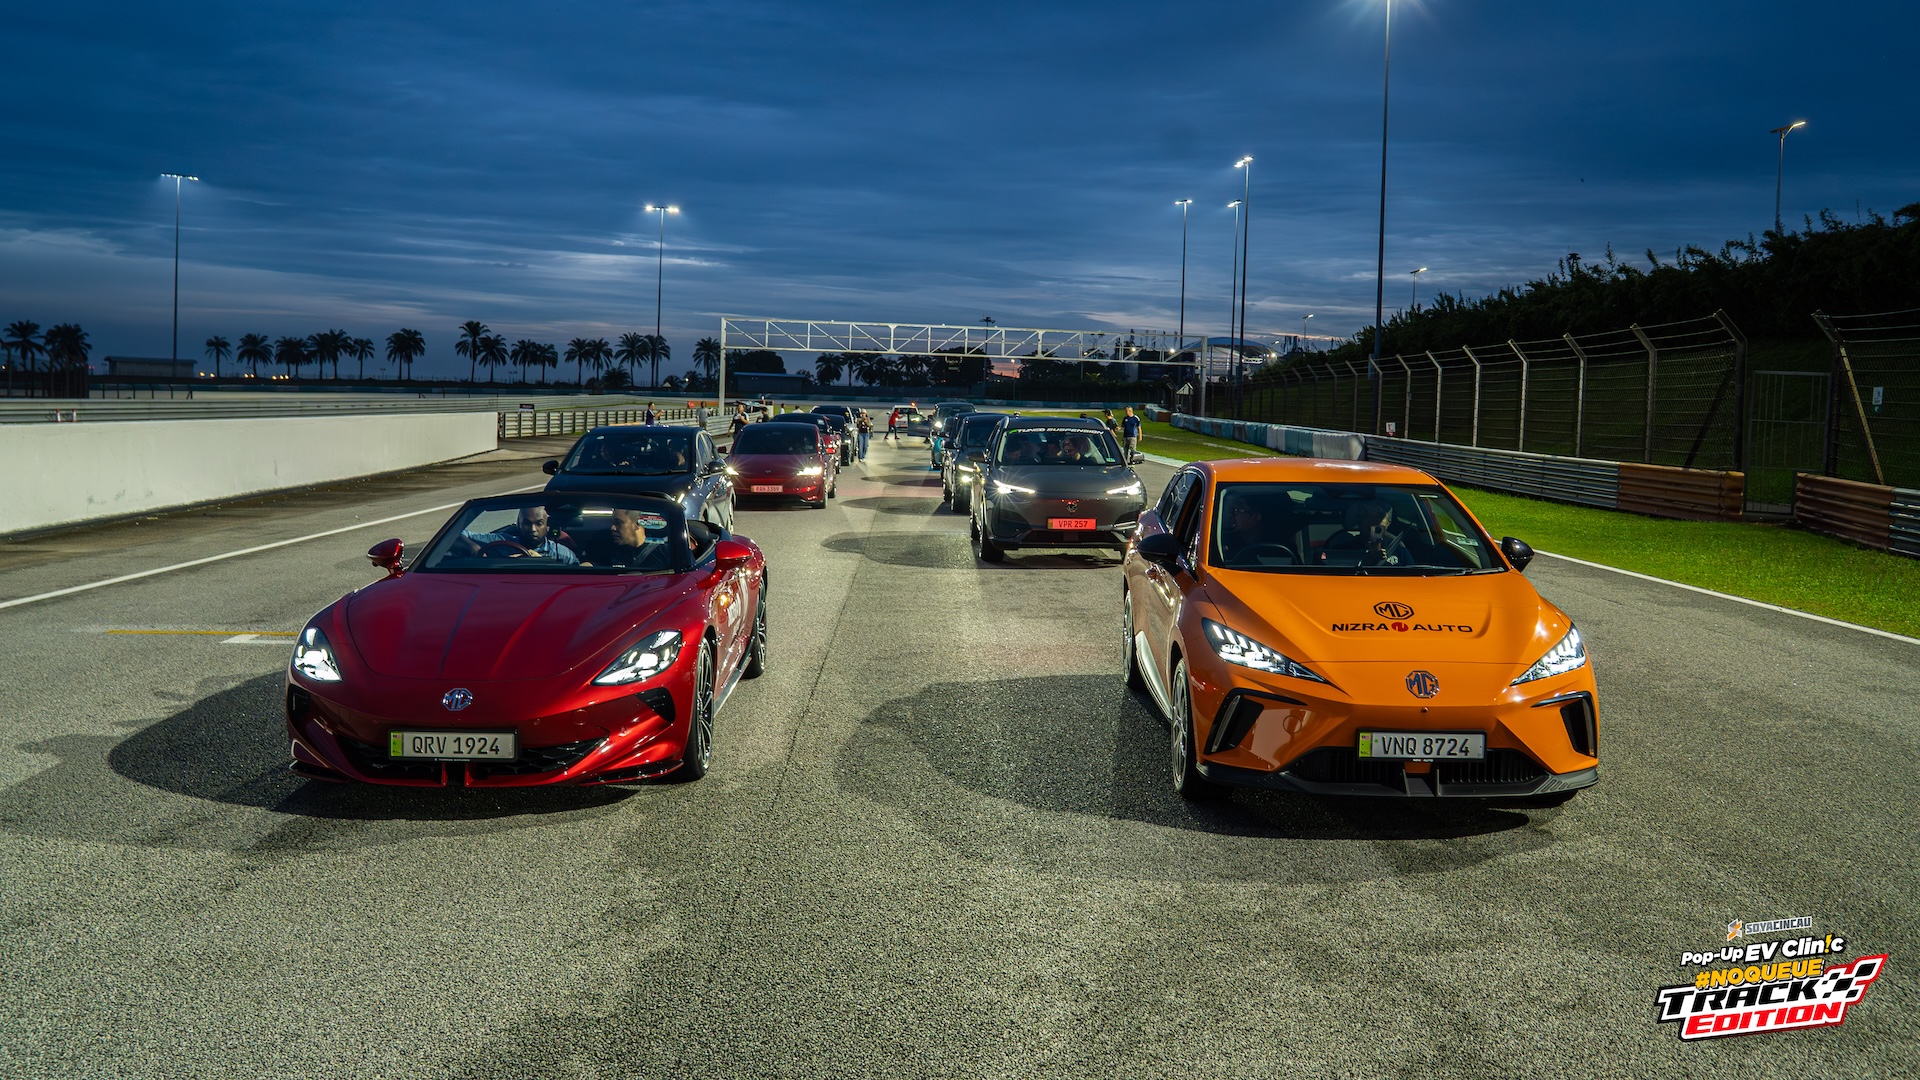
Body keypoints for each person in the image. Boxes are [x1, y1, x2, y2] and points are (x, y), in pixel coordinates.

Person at [459, 506, 579, 564]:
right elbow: (457, 533)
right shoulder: (500, 542)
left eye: (539, 523)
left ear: (547, 525)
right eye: (527, 523)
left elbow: (580, 577)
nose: (533, 529)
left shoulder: (563, 554)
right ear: (518, 524)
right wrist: (471, 546)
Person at [1321, 501, 1401, 566]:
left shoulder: (1399, 550)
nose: (1372, 521)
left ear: (1388, 523)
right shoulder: (1342, 551)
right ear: (1359, 520)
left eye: (1379, 516)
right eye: (1367, 516)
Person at [581, 507, 664, 568]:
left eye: (618, 522)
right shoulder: (606, 547)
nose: (612, 528)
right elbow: (594, 565)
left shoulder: (663, 552)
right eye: (613, 523)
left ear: (637, 523)